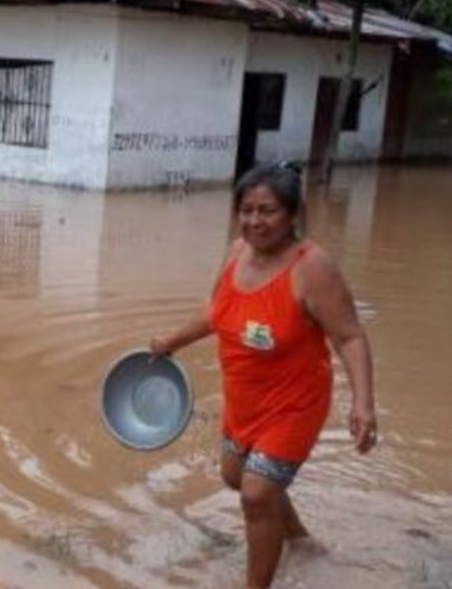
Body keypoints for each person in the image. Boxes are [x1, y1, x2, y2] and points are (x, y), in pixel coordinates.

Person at [150, 161, 377, 589]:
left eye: (268, 211)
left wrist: (363, 404)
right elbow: (216, 312)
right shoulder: (237, 253)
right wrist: (170, 342)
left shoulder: (313, 269)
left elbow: (349, 337)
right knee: (237, 477)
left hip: (295, 404)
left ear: (293, 214)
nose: (255, 221)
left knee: (256, 495)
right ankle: (299, 540)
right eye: (247, 210)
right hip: (245, 398)